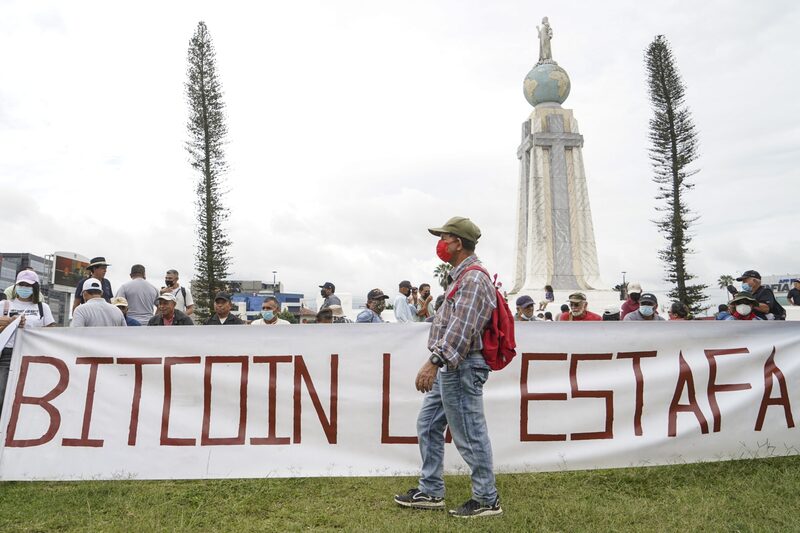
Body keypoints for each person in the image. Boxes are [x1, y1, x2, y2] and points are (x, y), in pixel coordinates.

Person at [394, 216, 502, 518]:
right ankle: (430, 491)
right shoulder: (462, 276)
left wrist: (434, 361)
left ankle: (486, 498)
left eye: (443, 238)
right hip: (455, 366)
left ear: (457, 242)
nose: (440, 243)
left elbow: (462, 328)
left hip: (462, 365)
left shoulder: (473, 278)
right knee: (428, 424)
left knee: (469, 433)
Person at [1, 271, 56, 414]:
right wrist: (7, 323)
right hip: (7, 354)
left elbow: (51, 333)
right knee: (2, 394)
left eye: (28, 285)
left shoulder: (43, 308)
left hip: (32, 354)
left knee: (29, 394)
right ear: (16, 286)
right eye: (21, 284)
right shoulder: (4, 305)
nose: (24, 287)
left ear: (35, 287)